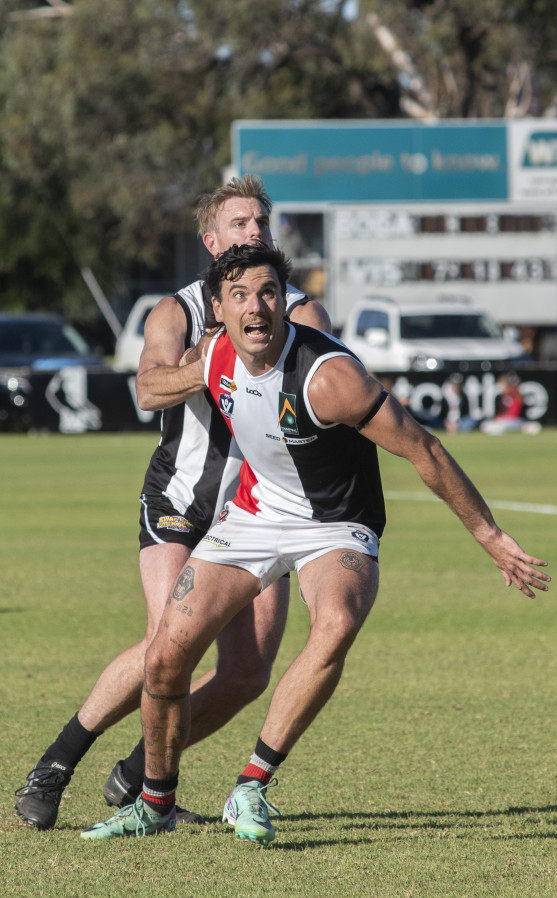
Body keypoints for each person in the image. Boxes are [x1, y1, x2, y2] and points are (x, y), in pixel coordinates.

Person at [80, 243, 550, 843]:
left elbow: (424, 449)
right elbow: (156, 388)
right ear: (218, 310)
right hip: (255, 514)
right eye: (240, 295)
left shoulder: (330, 378)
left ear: (284, 301)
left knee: (336, 622)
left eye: (268, 292)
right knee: (165, 658)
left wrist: (490, 535)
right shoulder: (214, 355)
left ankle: (251, 785)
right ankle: (154, 804)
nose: (256, 307)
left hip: (336, 523)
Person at [14, 176, 331, 831]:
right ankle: (55, 765)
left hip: (264, 511)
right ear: (211, 242)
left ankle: (139, 775)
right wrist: (209, 360)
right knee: (169, 642)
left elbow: (320, 393)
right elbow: (147, 390)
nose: (253, 231)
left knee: (247, 672)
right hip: (182, 502)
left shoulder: (302, 313)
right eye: (239, 223)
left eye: (261, 222)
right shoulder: (175, 311)